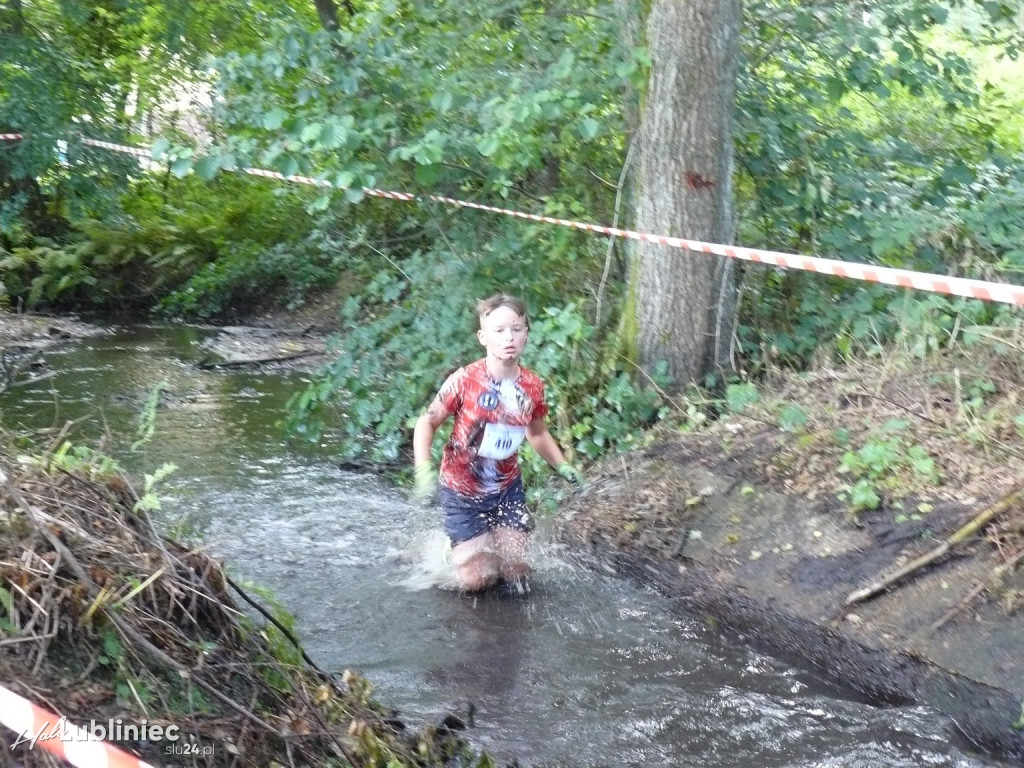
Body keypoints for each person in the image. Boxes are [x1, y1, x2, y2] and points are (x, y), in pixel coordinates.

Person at [412, 293, 582, 592]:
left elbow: (538, 433)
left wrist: (563, 465)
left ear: (526, 333)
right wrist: (423, 467)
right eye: (499, 331)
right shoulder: (464, 380)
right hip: (461, 489)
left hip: (506, 489)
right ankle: (451, 551)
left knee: (516, 570)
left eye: (516, 329)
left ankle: (486, 542)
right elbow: (427, 421)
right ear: (483, 337)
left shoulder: (532, 386)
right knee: (479, 578)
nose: (509, 338)